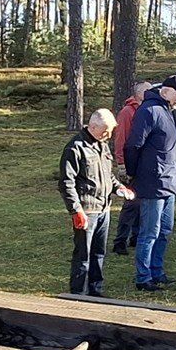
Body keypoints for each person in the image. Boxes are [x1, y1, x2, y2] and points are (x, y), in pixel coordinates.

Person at [124, 77, 176, 291]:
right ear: (167, 91)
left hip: (169, 181)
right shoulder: (149, 111)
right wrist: (134, 173)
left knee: (165, 230)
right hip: (153, 182)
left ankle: (157, 271)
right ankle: (143, 277)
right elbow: (133, 145)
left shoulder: (169, 110)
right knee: (150, 231)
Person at [58, 108, 128, 296]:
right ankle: (78, 293)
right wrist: (76, 211)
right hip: (86, 209)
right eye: (106, 131)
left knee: (99, 253)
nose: (109, 135)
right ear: (93, 126)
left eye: (111, 131)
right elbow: (66, 183)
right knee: (83, 255)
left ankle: (95, 290)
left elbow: (108, 175)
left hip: (104, 208)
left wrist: (119, 187)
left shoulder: (102, 145)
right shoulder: (75, 148)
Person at [111, 81, 152, 253]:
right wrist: (121, 163)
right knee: (131, 203)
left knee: (141, 203)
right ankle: (120, 240)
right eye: (147, 91)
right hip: (130, 164)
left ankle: (135, 237)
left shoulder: (146, 110)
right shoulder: (127, 112)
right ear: (138, 94)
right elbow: (121, 139)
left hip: (144, 164)